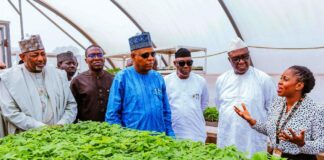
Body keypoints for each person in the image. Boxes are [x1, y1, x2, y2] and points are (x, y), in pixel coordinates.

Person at [235, 65, 324, 160]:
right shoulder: (277, 103)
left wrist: (301, 143)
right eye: (280, 78)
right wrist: (252, 121)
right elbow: (272, 130)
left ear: (299, 85)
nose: (279, 82)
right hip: (275, 156)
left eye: (285, 79)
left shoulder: (315, 110)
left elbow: (321, 144)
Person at [0, 35, 77, 136]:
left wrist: (62, 124)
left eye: (43, 54)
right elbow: (10, 112)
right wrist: (39, 127)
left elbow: (71, 104)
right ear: (22, 57)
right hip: (25, 136)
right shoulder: (8, 78)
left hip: (59, 135)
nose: (41, 59)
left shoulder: (59, 75)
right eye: (35, 55)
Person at [214, 37, 276, 155]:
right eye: (236, 59)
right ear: (229, 60)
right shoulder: (222, 80)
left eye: (245, 56)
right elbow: (219, 106)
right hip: (227, 139)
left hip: (253, 141)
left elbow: (274, 111)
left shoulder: (263, 79)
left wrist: (274, 141)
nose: (241, 61)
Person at [105, 32, 174, 136]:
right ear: (133, 56)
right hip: (134, 143)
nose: (151, 58)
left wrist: (170, 134)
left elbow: (165, 111)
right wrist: (121, 139)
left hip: (160, 140)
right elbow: (112, 115)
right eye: (145, 55)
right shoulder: (122, 78)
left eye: (152, 54)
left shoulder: (158, 78)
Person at [164, 48, 209, 142]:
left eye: (189, 62)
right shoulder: (166, 81)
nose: (186, 66)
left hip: (196, 133)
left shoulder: (200, 81)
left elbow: (203, 104)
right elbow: (163, 107)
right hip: (174, 133)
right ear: (175, 63)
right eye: (181, 63)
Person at [70, 45, 114, 122]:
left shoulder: (113, 79)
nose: (96, 58)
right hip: (87, 128)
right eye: (92, 55)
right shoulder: (78, 81)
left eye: (100, 55)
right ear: (86, 60)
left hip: (111, 126)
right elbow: (72, 107)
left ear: (104, 59)